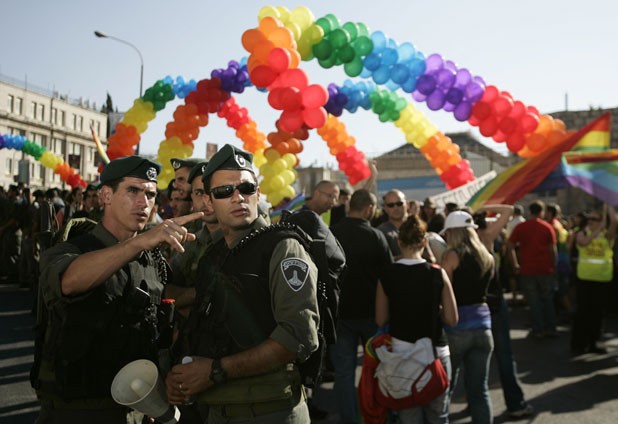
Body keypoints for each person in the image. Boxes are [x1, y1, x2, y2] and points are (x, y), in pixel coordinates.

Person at [32, 156, 203, 424]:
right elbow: (68, 281)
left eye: (150, 194)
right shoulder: (75, 247)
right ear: (106, 195)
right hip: (79, 410)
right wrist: (139, 243)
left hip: (138, 406)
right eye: (133, 191)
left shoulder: (151, 259)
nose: (143, 202)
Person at [165, 144, 319, 423]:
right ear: (208, 202)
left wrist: (215, 370)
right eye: (224, 191)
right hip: (216, 409)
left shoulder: (282, 248)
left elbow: (298, 337)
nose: (238, 198)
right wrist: (180, 376)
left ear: (258, 193)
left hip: (269, 411)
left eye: (246, 189)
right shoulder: (214, 255)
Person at [375, 215, 458, 424]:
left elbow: (380, 319)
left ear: (399, 242)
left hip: (402, 354)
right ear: (424, 242)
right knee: (438, 417)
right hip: (435, 352)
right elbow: (452, 318)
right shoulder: (437, 273)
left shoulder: (387, 274)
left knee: (409, 418)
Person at [331, 189, 393, 424]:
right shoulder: (376, 236)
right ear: (368, 209)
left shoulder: (332, 233)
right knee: (377, 369)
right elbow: (388, 276)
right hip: (372, 313)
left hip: (340, 314)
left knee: (344, 373)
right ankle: (376, 416)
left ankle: (349, 419)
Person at [474, 205, 534, 418]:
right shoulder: (486, 237)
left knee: (472, 360)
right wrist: (485, 207)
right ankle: (515, 404)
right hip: (494, 304)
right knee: (504, 354)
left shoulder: (455, 244)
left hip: (472, 308)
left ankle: (476, 404)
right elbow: (508, 210)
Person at [440, 210, 495, 424]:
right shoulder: (487, 255)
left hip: (457, 327)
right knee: (480, 390)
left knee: (446, 388)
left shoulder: (451, 256)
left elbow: (443, 291)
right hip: (483, 326)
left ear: (453, 232)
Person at [571, 204, 617, 354]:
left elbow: (614, 223)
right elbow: (583, 242)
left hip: (602, 279)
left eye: (595, 219)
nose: (591, 221)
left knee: (597, 314)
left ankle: (594, 342)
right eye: (589, 218)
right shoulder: (582, 232)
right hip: (585, 279)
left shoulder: (607, 236)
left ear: (601, 221)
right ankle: (579, 344)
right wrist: (598, 229)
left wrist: (609, 205)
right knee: (582, 312)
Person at [508, 201, 558, 339]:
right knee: (547, 299)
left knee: (533, 301)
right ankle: (551, 328)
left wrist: (515, 264)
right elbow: (552, 250)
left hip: (527, 269)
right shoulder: (547, 227)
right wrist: (554, 266)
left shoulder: (521, 227)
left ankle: (538, 329)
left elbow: (510, 245)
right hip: (545, 268)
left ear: (530, 211)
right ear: (541, 212)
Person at [377, 189, 408, 259]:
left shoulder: (417, 228)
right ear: (385, 208)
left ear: (407, 204)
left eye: (399, 203)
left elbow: (430, 257)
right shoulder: (380, 233)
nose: (396, 208)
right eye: (391, 205)